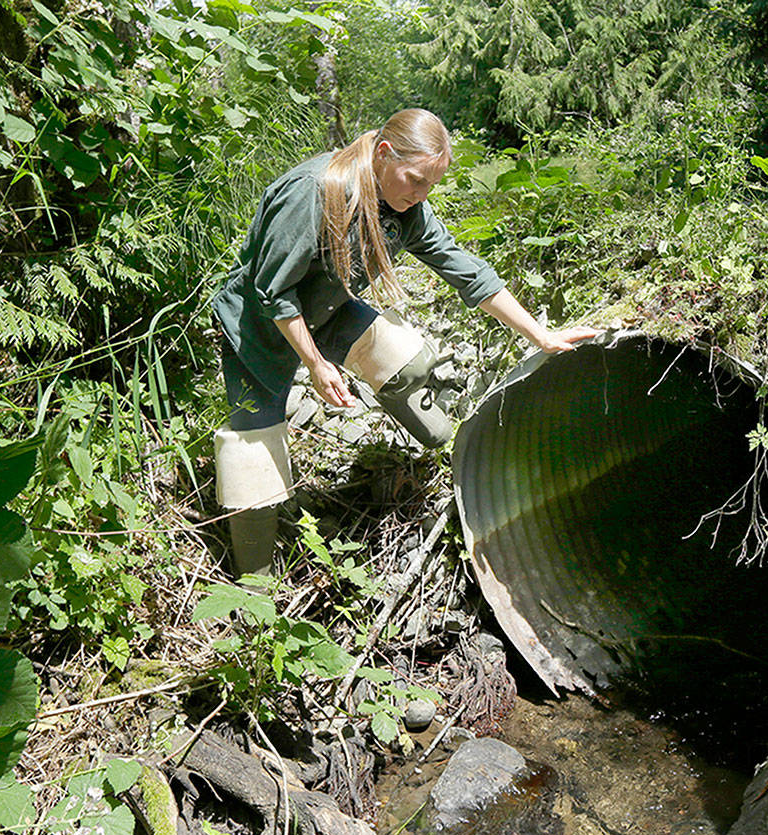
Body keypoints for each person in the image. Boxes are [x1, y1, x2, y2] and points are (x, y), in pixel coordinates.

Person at [212, 108, 598, 575]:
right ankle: (255, 581)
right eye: (415, 180)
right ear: (383, 153)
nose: (420, 195)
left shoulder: (406, 208)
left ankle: (441, 446)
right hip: (260, 323)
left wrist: (540, 334)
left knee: (409, 360)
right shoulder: (314, 193)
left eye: (430, 186)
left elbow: (466, 270)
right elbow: (272, 290)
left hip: (326, 307)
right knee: (255, 459)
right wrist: (315, 365)